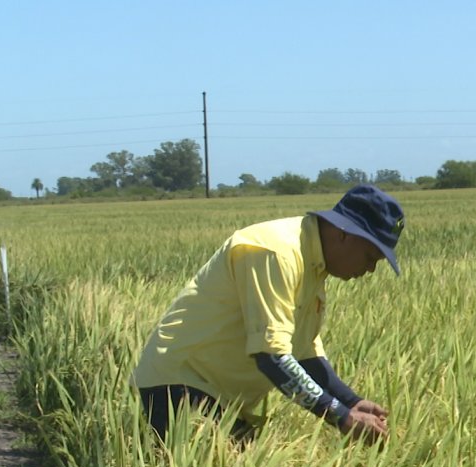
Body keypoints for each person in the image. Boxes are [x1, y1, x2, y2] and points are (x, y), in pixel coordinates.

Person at [132, 184, 405, 445]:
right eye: (370, 257)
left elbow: (305, 355)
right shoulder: (276, 253)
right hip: (181, 385)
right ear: (344, 233)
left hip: (222, 397)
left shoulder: (313, 265)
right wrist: (342, 418)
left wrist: (351, 401)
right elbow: (271, 357)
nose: (370, 269)